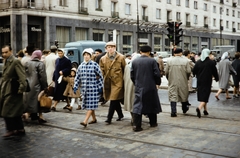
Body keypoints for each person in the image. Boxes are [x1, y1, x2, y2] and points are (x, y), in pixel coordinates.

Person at [130, 45, 162, 132]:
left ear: (140, 52)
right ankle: (153, 122)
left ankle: (136, 125)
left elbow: (132, 75)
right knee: (151, 103)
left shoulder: (135, 61)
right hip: (150, 85)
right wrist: (157, 83)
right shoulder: (152, 61)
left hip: (139, 86)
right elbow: (157, 74)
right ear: (149, 52)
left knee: (138, 105)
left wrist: (136, 83)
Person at [0, 45, 27, 137]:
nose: (4, 54)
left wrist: (21, 89)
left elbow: (22, 77)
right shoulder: (6, 61)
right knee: (15, 111)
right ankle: (20, 128)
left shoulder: (15, 61)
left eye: (6, 52)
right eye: (2, 52)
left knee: (6, 110)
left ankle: (11, 129)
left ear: (11, 51)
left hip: (13, 89)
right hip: (6, 88)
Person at [73, 48, 103, 127]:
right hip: (85, 90)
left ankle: (85, 121)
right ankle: (94, 119)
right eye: (85, 55)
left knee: (90, 105)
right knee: (89, 105)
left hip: (93, 89)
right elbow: (77, 77)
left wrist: (100, 86)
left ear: (91, 56)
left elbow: (100, 76)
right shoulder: (80, 66)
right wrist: (75, 86)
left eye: (88, 55)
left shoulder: (94, 65)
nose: (86, 56)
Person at [99, 41, 126, 124]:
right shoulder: (103, 59)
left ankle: (109, 118)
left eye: (112, 47)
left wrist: (125, 81)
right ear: (106, 49)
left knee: (113, 99)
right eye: (109, 47)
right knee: (114, 99)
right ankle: (120, 115)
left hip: (118, 82)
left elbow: (125, 69)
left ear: (115, 48)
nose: (110, 49)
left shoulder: (121, 57)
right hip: (108, 82)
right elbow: (101, 70)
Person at [23, 50, 48, 123]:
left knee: (30, 100)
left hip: (28, 85)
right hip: (37, 85)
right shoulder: (40, 64)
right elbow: (42, 77)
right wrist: (45, 86)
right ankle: (39, 116)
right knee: (39, 100)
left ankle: (28, 114)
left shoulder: (27, 63)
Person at [165, 48, 191, 117]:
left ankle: (173, 111)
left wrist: (169, 78)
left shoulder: (169, 61)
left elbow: (166, 72)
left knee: (173, 95)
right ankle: (184, 108)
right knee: (183, 94)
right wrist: (187, 77)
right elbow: (188, 71)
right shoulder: (186, 61)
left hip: (172, 80)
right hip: (183, 80)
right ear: (181, 53)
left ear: (174, 53)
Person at [193, 49, 219, 118]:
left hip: (200, 80)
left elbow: (194, 71)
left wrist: (196, 75)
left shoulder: (198, 62)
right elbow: (215, 71)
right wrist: (217, 78)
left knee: (202, 94)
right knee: (206, 95)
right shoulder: (211, 62)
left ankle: (205, 110)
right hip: (207, 80)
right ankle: (199, 107)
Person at [123, 52, 141, 125]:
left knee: (130, 103)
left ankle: (133, 118)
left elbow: (124, 77)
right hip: (136, 86)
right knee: (137, 103)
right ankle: (135, 119)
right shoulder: (139, 66)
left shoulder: (127, 66)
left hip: (128, 87)